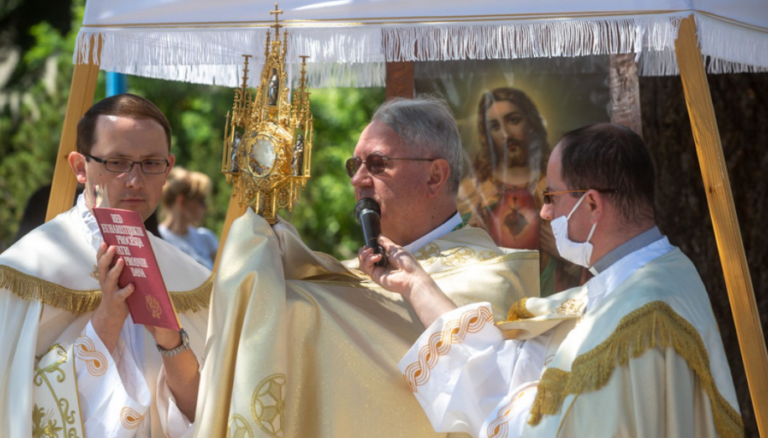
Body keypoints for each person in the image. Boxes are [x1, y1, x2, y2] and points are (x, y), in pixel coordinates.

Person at [359, 123, 742, 438]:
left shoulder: (638, 323)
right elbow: (514, 369)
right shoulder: (660, 272)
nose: (543, 213)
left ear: (591, 205)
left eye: (552, 196)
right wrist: (417, 284)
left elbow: (537, 425)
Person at [194, 97, 539, 438]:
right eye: (353, 165)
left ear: (435, 176)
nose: (358, 179)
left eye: (376, 164)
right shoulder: (348, 273)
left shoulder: (494, 277)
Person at [0, 93, 212, 438]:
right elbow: (13, 407)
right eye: (117, 162)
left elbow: (207, 413)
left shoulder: (191, 280)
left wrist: (170, 339)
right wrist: (107, 321)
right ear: (80, 168)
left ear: (168, 168)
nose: (135, 180)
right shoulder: (23, 273)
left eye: (151, 163)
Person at [461, 87, 585, 296]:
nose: (506, 134)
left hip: (555, 304)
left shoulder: (561, 186)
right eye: (494, 126)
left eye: (513, 120)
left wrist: (567, 256)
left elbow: (598, 255)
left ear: (531, 125)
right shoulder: (470, 192)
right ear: (486, 136)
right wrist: (470, 241)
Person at [159, 167, 219, 270]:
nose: (206, 207)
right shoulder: (157, 239)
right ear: (182, 201)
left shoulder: (207, 238)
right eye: (201, 200)